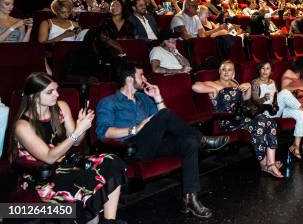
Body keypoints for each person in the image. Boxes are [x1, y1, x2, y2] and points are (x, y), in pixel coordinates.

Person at [96, 62, 229, 218]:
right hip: (131, 148)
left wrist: (157, 97)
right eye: (141, 75)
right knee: (166, 115)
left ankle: (190, 198)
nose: (145, 78)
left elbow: (164, 118)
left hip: (154, 144)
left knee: (189, 143)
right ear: (129, 79)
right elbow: (103, 132)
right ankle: (203, 140)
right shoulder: (109, 102)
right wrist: (135, 129)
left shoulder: (143, 98)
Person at [10, 73, 127, 224]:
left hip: (65, 163)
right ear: (33, 96)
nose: (57, 94)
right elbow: (49, 157)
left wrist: (81, 126)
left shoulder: (61, 107)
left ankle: (109, 221)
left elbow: (77, 142)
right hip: (41, 174)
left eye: (56, 89)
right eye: (50, 92)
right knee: (89, 180)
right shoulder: (23, 126)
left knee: (112, 161)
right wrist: (77, 131)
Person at [192, 60, 283, 178]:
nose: (226, 72)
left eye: (229, 70)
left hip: (242, 118)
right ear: (219, 71)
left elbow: (245, 99)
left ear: (233, 73)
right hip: (229, 121)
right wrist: (215, 90)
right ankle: (265, 164)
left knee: (269, 121)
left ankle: (270, 163)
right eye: (223, 69)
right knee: (259, 125)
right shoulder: (214, 83)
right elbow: (195, 86)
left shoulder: (234, 83)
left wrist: (249, 86)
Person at [251, 61, 303, 159]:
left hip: (277, 109)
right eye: (262, 68)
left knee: (300, 115)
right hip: (265, 111)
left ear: (271, 70)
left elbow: (276, 98)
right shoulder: (255, 82)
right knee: (285, 92)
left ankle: (295, 146)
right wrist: (263, 98)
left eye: (267, 68)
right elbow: (254, 100)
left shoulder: (273, 82)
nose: (265, 71)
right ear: (259, 70)